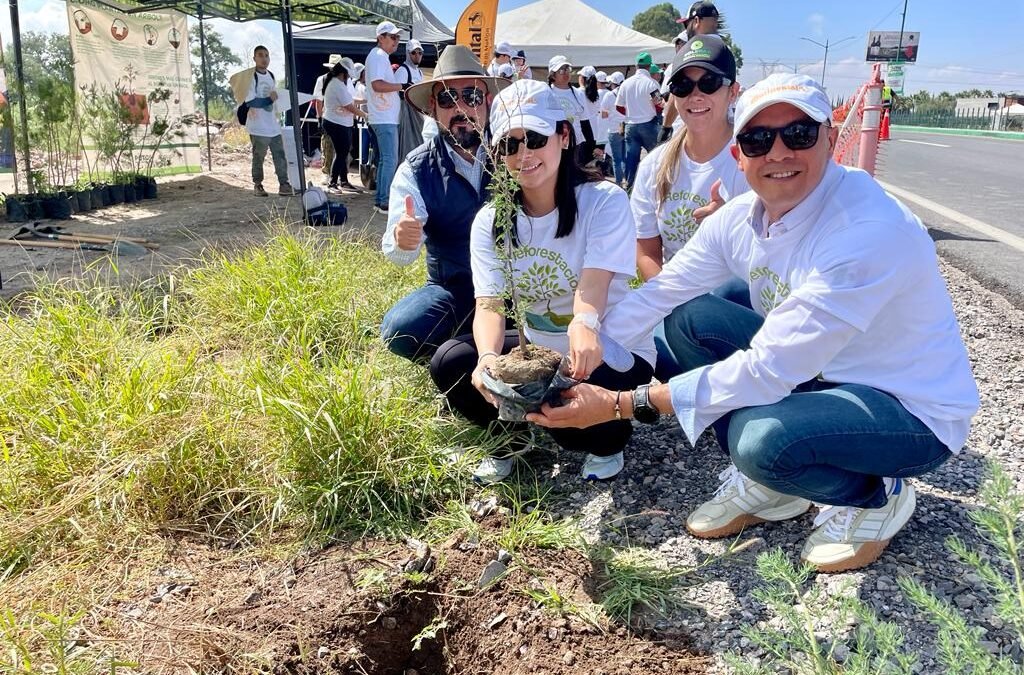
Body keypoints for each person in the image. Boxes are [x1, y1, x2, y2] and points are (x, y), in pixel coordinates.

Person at [527, 73, 980, 574]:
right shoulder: (742, 216)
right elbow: (660, 292)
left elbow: (765, 371)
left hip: (906, 408)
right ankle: (778, 489)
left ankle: (878, 493)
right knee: (689, 320)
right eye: (758, 139)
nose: (779, 153)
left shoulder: (867, 232)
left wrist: (620, 405)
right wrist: (571, 359)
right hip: (823, 372)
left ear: (830, 137)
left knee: (759, 441)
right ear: (739, 154)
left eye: (799, 134)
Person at [430, 79, 655, 484]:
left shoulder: (603, 200)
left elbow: (595, 284)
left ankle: (606, 442)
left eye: (535, 138)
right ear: (497, 156)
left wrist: (585, 324)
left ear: (563, 136)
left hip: (607, 345)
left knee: (576, 432)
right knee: (453, 362)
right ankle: (510, 440)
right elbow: (490, 305)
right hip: (541, 351)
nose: (524, 154)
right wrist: (487, 360)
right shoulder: (491, 221)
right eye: (509, 145)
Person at [379, 45, 510, 363]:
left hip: (514, 286)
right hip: (454, 287)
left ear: (488, 102)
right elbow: (399, 255)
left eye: (472, 96)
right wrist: (403, 239)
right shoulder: (416, 168)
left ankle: (480, 344)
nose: (461, 108)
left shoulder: (515, 150)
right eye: (448, 99)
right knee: (400, 329)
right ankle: (465, 347)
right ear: (432, 110)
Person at [632, 35, 749, 381]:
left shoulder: (755, 157)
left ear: (733, 91)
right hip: (677, 299)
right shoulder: (655, 166)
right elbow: (646, 252)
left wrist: (734, 226)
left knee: (719, 300)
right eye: (683, 85)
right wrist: (673, 295)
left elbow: (782, 252)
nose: (695, 95)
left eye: (709, 83)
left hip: (739, 301)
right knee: (641, 350)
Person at [663, 1, 724, 141]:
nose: (686, 30)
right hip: (720, 129)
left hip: (692, 129)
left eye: (687, 24)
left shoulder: (692, 51)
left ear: (696, 21)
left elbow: (676, 93)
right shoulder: (724, 51)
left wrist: (665, 126)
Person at [242, 45, 295, 197]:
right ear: (254, 58)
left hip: (272, 124)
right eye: (260, 55)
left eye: (266, 55)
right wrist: (268, 100)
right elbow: (250, 101)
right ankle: (258, 184)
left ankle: (284, 184)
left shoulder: (271, 75)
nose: (264, 58)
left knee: (279, 154)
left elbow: (273, 97)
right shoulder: (251, 77)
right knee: (259, 156)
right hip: (258, 126)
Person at [366, 21, 404, 214]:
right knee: (390, 160)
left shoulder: (378, 56)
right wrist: (401, 86)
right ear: (381, 38)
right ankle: (384, 201)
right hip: (384, 117)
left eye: (398, 37)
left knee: (385, 160)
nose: (396, 41)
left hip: (382, 116)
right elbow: (377, 85)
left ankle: (381, 198)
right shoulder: (379, 56)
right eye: (393, 37)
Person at [615, 51, 662, 191]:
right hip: (648, 123)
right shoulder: (652, 83)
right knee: (656, 157)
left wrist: (630, 114)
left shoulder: (625, 83)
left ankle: (629, 190)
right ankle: (657, 187)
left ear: (636, 66)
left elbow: (618, 106)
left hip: (630, 125)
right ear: (649, 66)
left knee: (631, 160)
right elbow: (659, 104)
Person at [321, 62, 366, 192]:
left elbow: (350, 100)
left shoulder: (338, 83)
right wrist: (366, 115)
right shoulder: (337, 85)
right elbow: (349, 106)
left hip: (340, 123)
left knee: (342, 153)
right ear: (344, 73)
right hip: (336, 123)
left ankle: (343, 181)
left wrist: (365, 100)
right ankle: (333, 182)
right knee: (341, 153)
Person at [547, 56, 594, 164]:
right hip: (554, 145)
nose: (566, 73)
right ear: (552, 74)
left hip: (576, 144)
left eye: (568, 69)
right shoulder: (546, 93)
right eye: (562, 70)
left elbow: (585, 122)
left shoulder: (578, 94)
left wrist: (591, 146)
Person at [314, 54, 342, 181]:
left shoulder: (345, 80)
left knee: (341, 149)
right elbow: (318, 101)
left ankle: (339, 175)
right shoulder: (323, 80)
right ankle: (326, 173)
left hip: (342, 119)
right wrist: (319, 118)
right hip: (328, 117)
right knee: (327, 146)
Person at [605, 71, 627, 186]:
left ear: (612, 83)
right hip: (625, 127)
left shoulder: (609, 95)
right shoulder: (626, 92)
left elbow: (603, 113)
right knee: (624, 158)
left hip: (614, 129)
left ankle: (618, 183)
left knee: (616, 160)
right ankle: (628, 180)